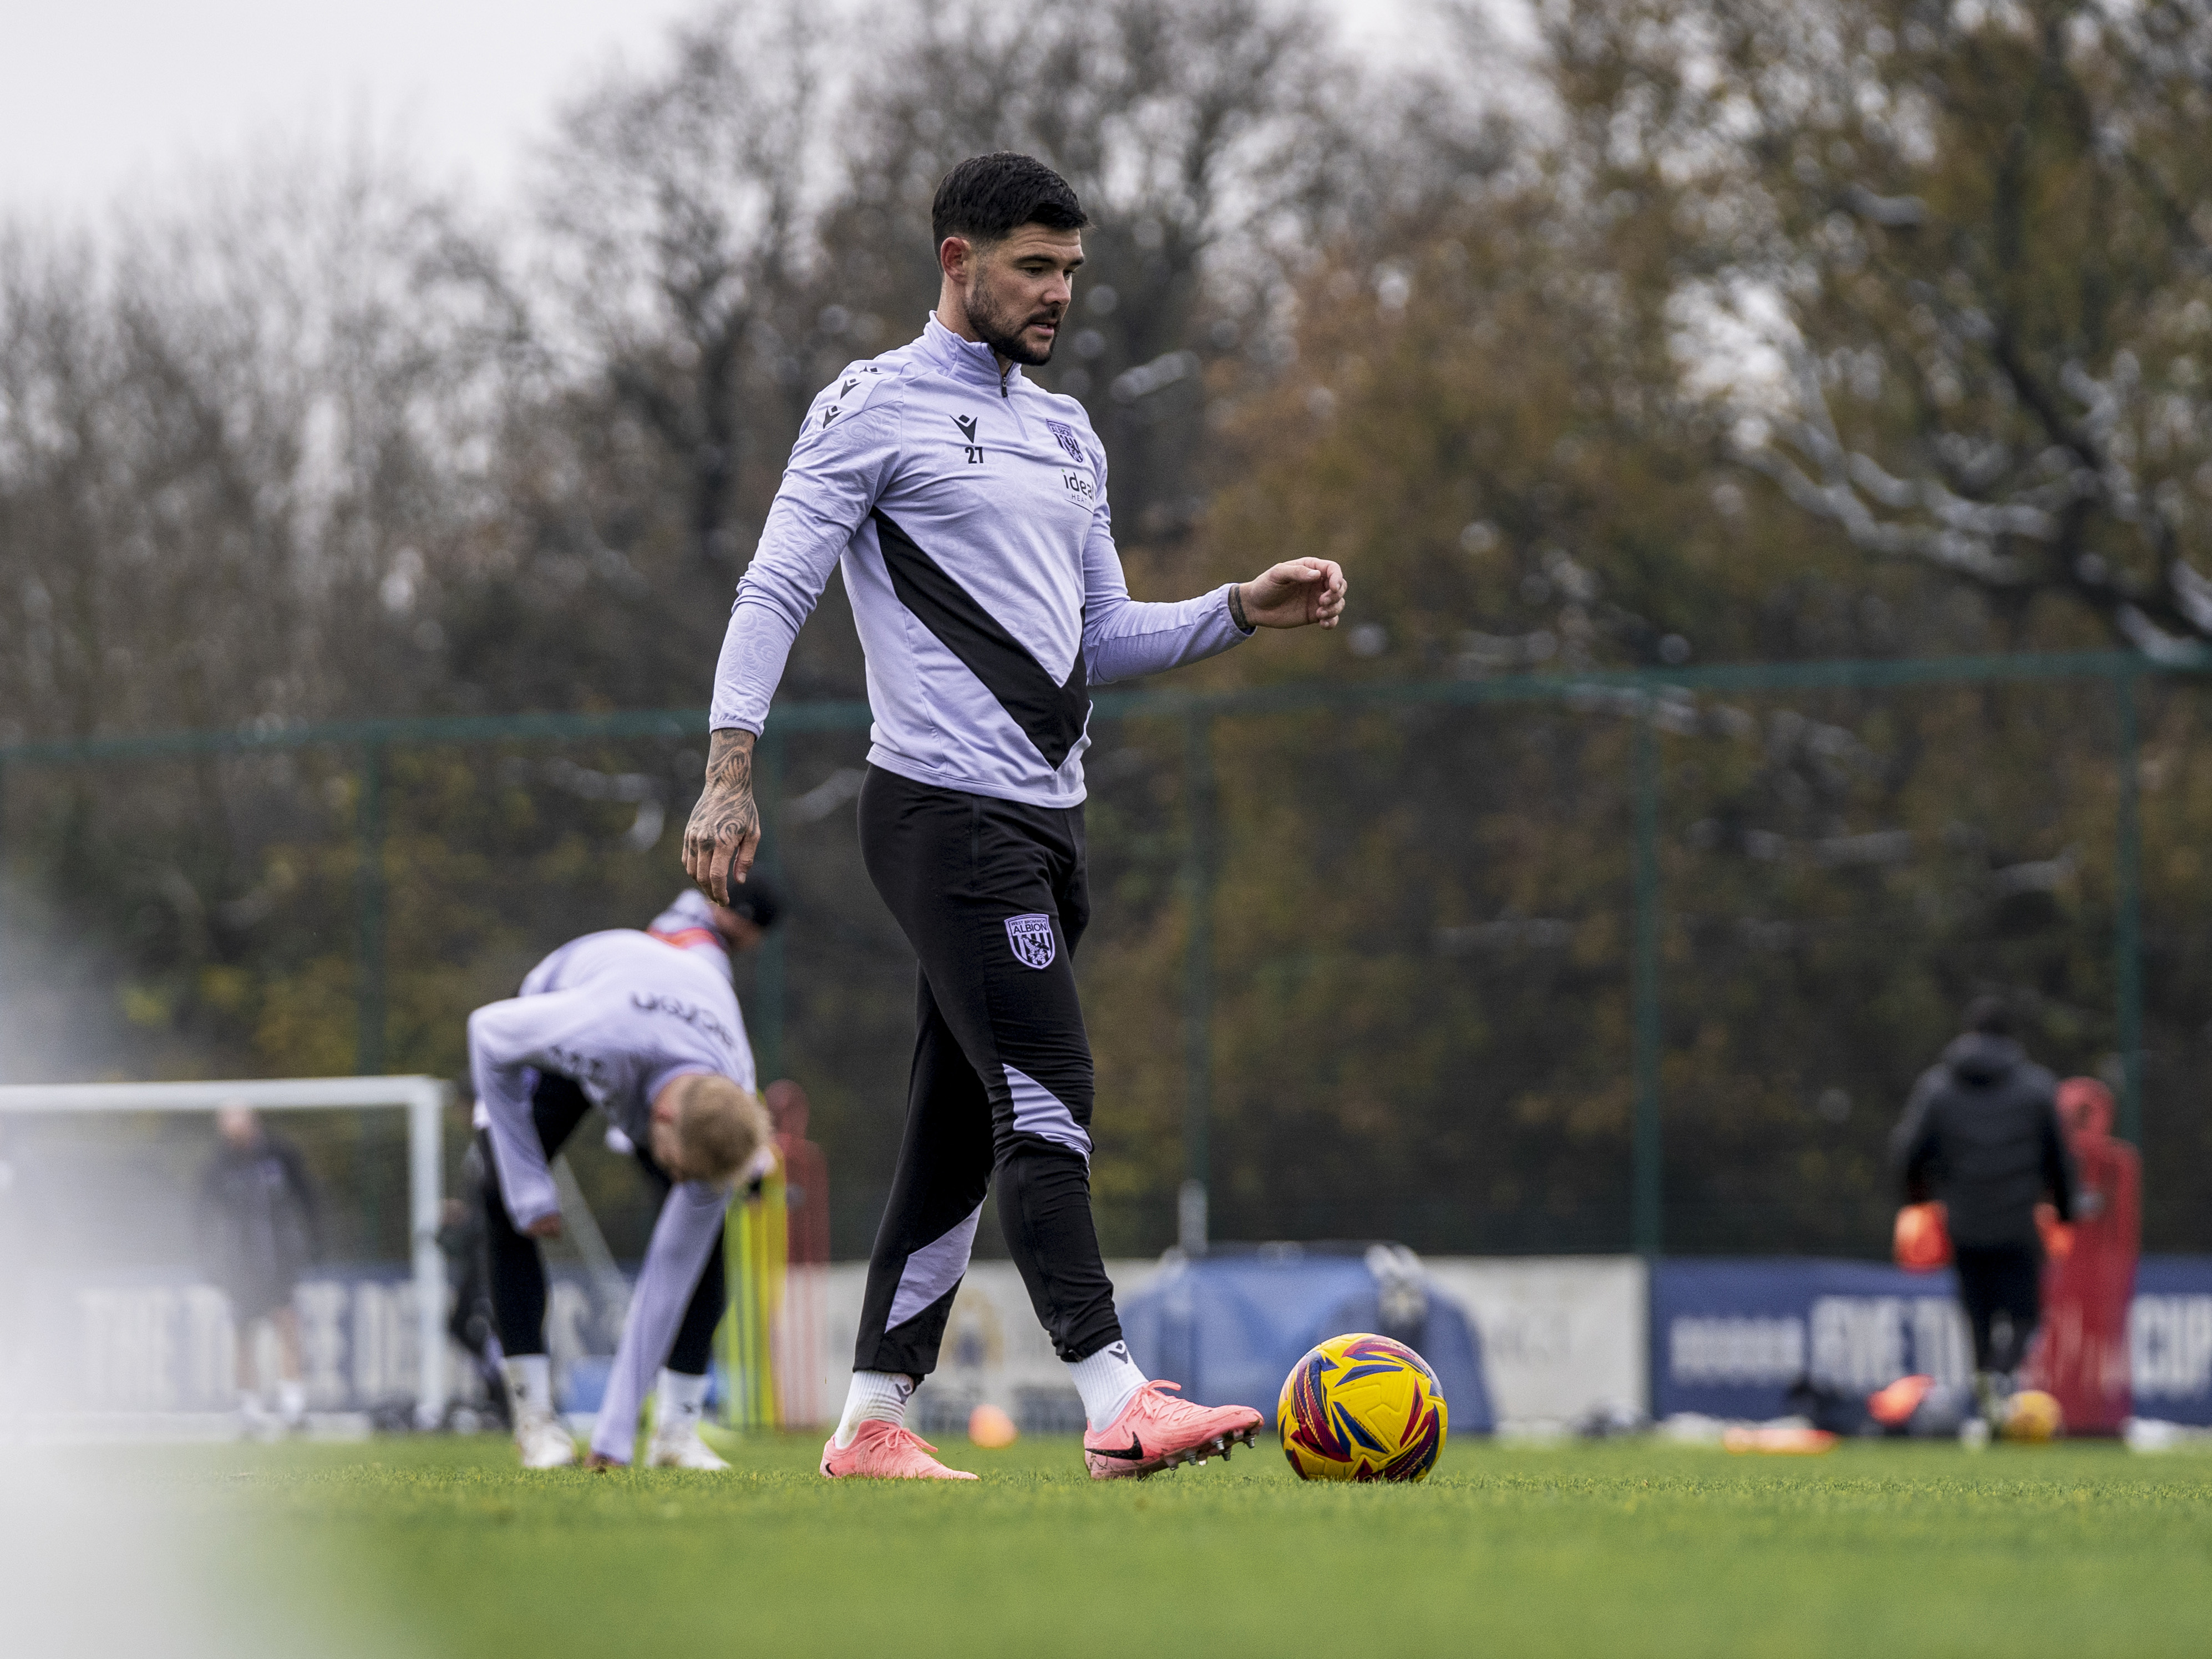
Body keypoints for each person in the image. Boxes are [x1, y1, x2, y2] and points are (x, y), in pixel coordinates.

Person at [682, 151, 1349, 1480]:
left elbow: (1097, 635)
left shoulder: (1067, 431)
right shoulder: (870, 406)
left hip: (1048, 824)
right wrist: (727, 765)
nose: (1055, 294)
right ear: (957, 261)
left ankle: (873, 1414)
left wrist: (1236, 607)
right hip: (944, 814)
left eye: (1068, 271)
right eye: (1032, 268)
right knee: (1049, 1093)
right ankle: (1113, 1391)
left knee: (950, 1128)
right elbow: (773, 588)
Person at [469, 891, 776, 1470]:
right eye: (680, 1167)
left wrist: (611, 1441)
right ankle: (535, 1423)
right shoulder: (590, 1031)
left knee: (703, 1245)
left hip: (669, 1043)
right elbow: (487, 1034)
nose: (683, 1180)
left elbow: (667, 1278)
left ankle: (675, 1433)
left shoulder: (730, 1086)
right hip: (571, 1006)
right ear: (659, 1123)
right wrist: (528, 1182)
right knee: (503, 1201)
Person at [1891, 996, 2076, 1429]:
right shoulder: (2036, 1087)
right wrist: (2064, 1211)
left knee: (1977, 1317)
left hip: (1964, 1221)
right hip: (2017, 1222)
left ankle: (1988, 1399)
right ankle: (2002, 1374)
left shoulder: (1937, 1087)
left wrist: (1917, 1199)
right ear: (2010, 1036)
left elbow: (1908, 1153)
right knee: (2025, 1314)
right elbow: (2060, 1159)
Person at [196, 1103, 319, 1434]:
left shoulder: (280, 1155)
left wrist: (314, 1245)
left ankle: (293, 1408)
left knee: (288, 1326)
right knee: (243, 1335)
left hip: (278, 1262)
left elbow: (307, 1200)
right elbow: (203, 1218)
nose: (234, 1141)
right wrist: (211, 1263)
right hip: (239, 1267)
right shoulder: (219, 1165)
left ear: (253, 1126)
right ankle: (249, 1410)